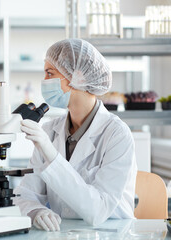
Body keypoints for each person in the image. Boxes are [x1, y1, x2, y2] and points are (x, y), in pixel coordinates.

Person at [14, 39, 137, 231]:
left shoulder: (117, 134)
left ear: (77, 76)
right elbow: (26, 195)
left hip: (110, 233)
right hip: (62, 233)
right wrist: (36, 211)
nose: (44, 82)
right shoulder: (49, 131)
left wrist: (52, 155)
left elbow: (98, 211)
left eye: (50, 73)